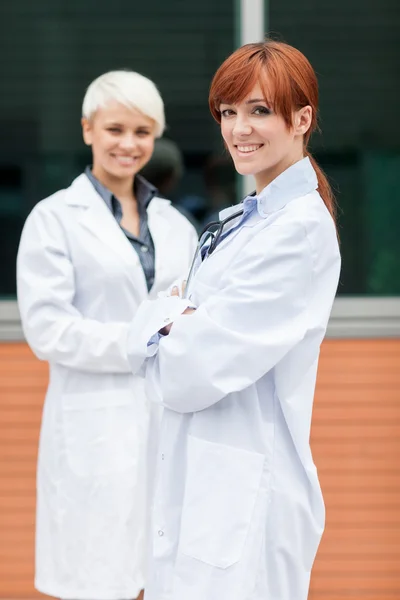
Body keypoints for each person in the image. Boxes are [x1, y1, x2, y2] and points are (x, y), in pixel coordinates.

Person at [126, 40, 341, 600]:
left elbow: (186, 371)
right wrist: (178, 318)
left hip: (247, 498)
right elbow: (169, 320)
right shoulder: (243, 223)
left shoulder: (297, 232)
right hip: (206, 483)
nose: (239, 128)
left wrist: (171, 325)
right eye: (228, 112)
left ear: (302, 119)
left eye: (259, 110)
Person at [16, 70, 197, 600]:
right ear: (87, 129)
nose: (128, 144)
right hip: (94, 423)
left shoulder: (175, 225)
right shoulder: (54, 219)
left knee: (165, 571)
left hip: (167, 418)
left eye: (142, 132)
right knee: (97, 576)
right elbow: (48, 329)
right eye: (115, 128)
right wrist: (141, 342)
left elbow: (192, 314)